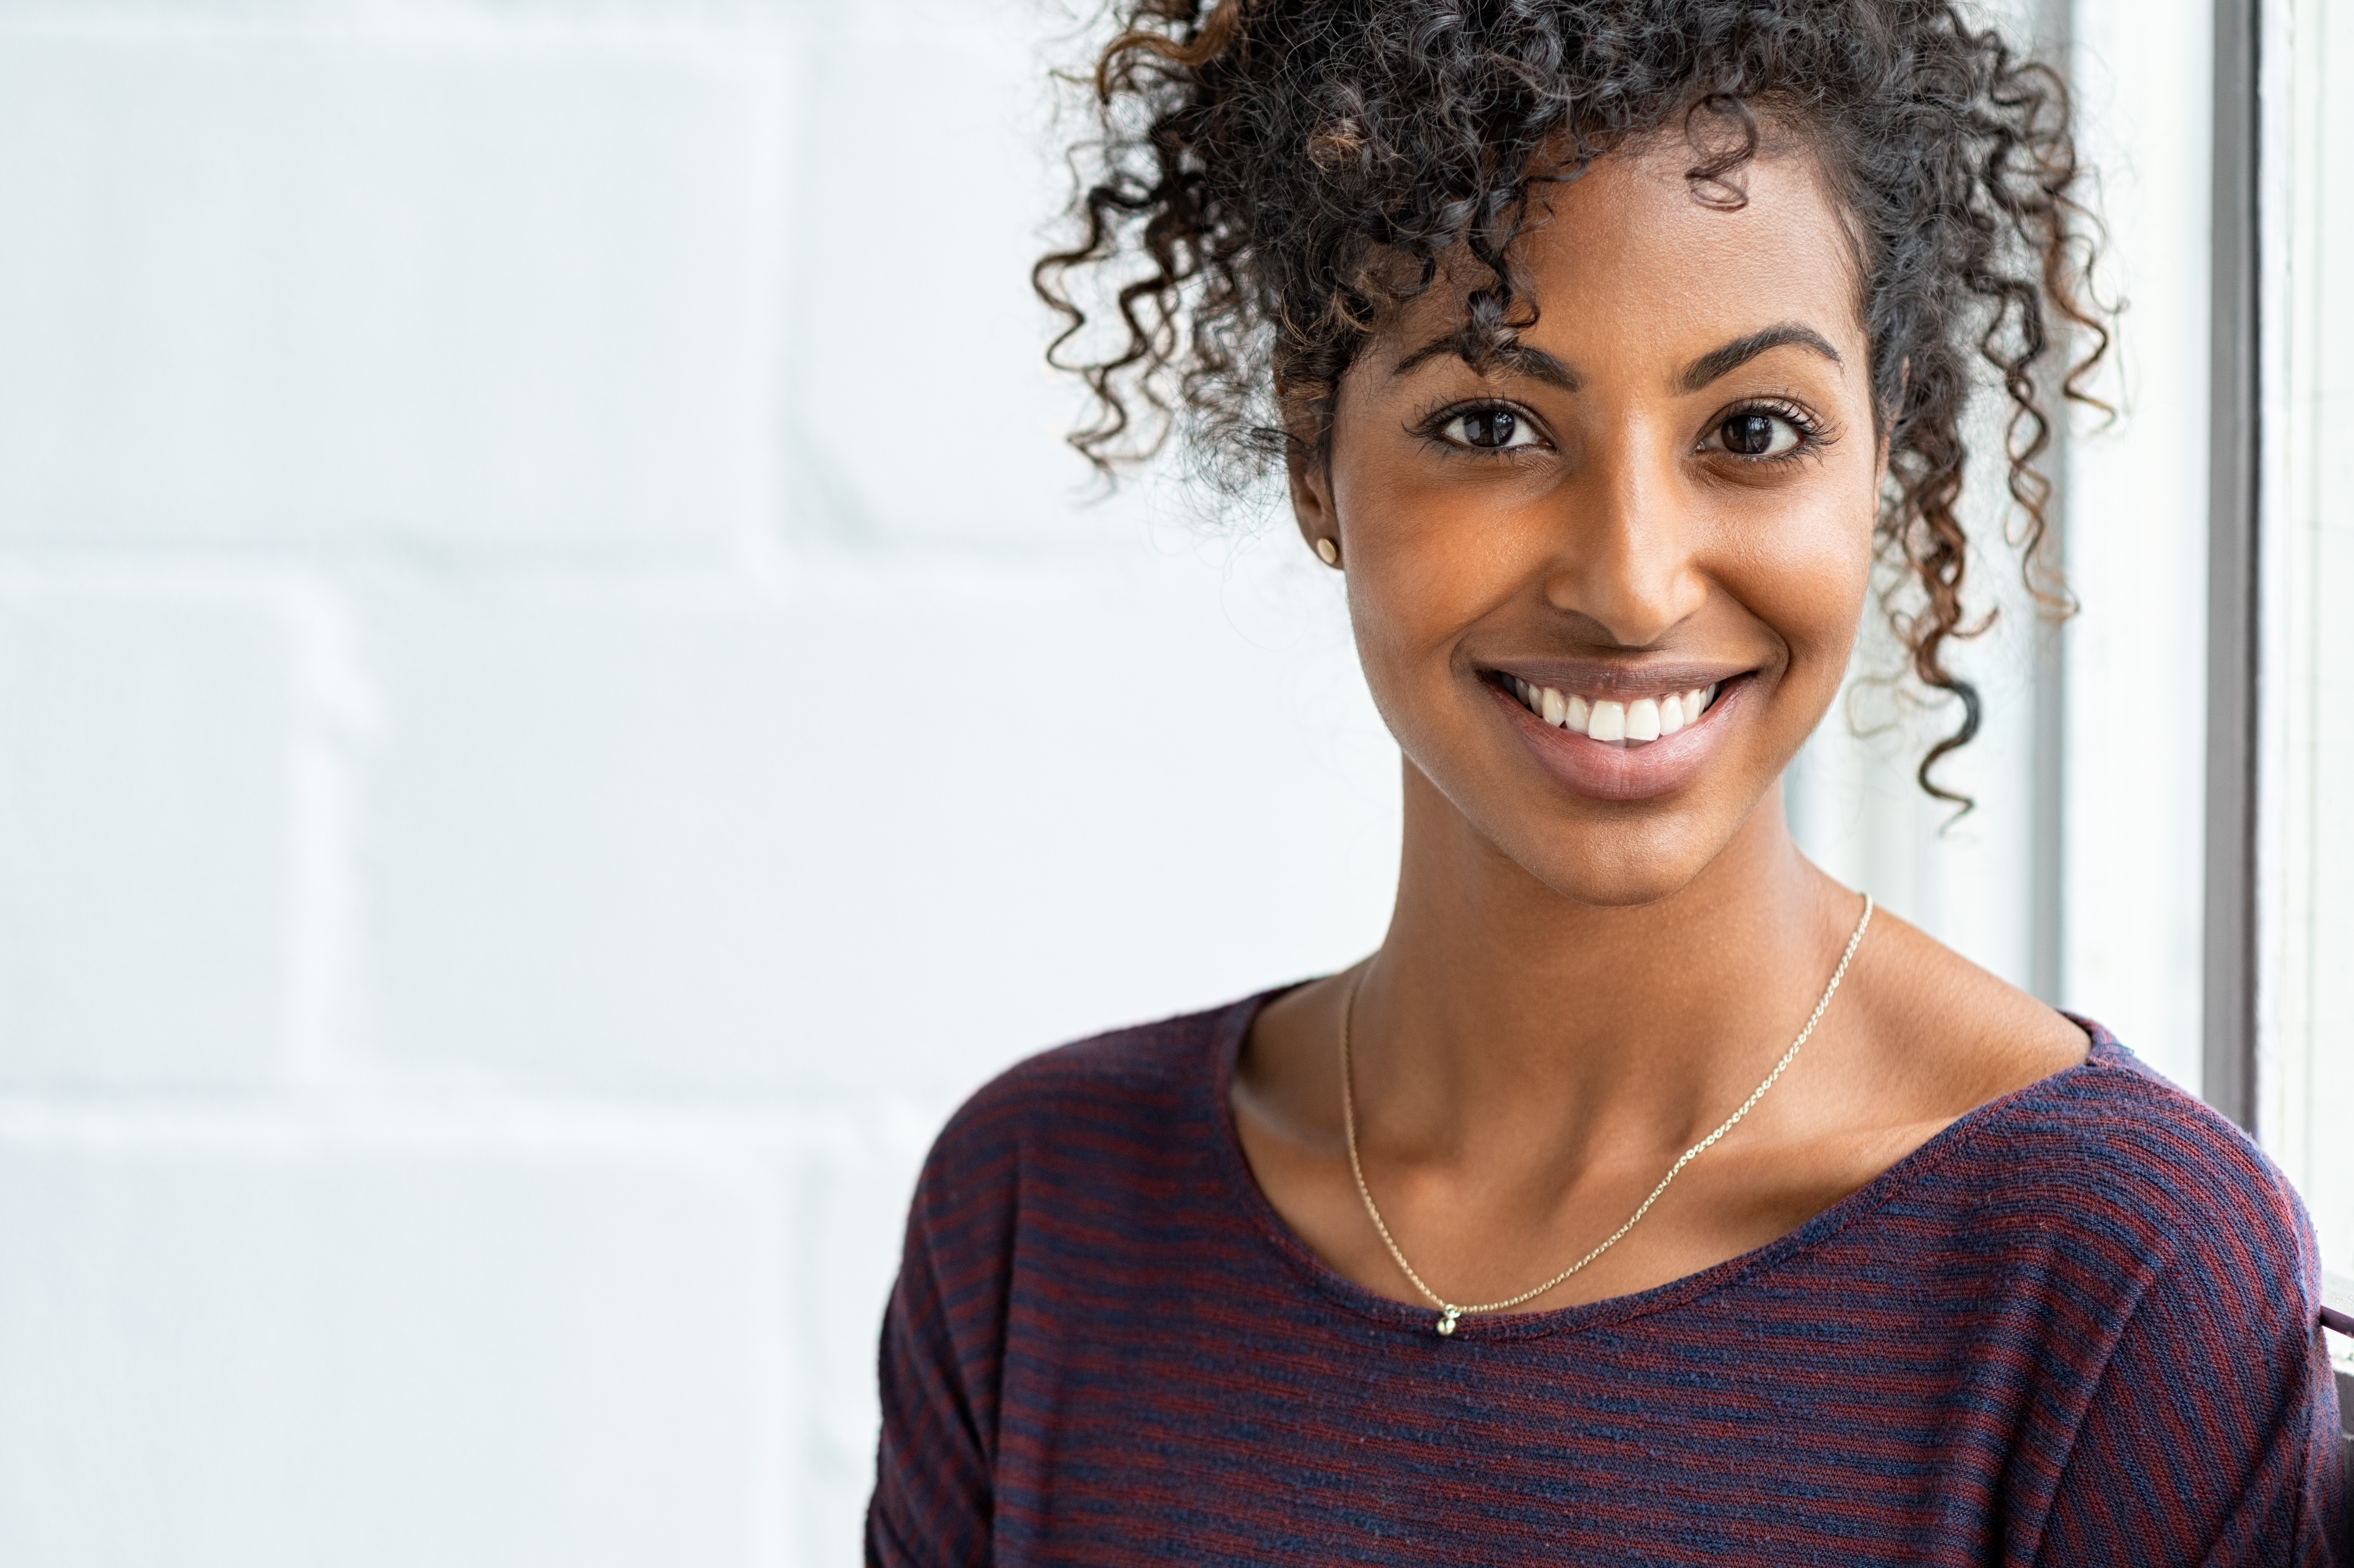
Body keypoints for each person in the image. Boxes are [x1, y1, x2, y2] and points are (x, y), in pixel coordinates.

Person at [866, 1, 2348, 1561]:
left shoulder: (2108, 1278)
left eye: (1754, 431)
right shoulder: (1043, 1218)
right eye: (1490, 422)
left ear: (1883, 457)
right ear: (1317, 462)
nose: (1631, 585)